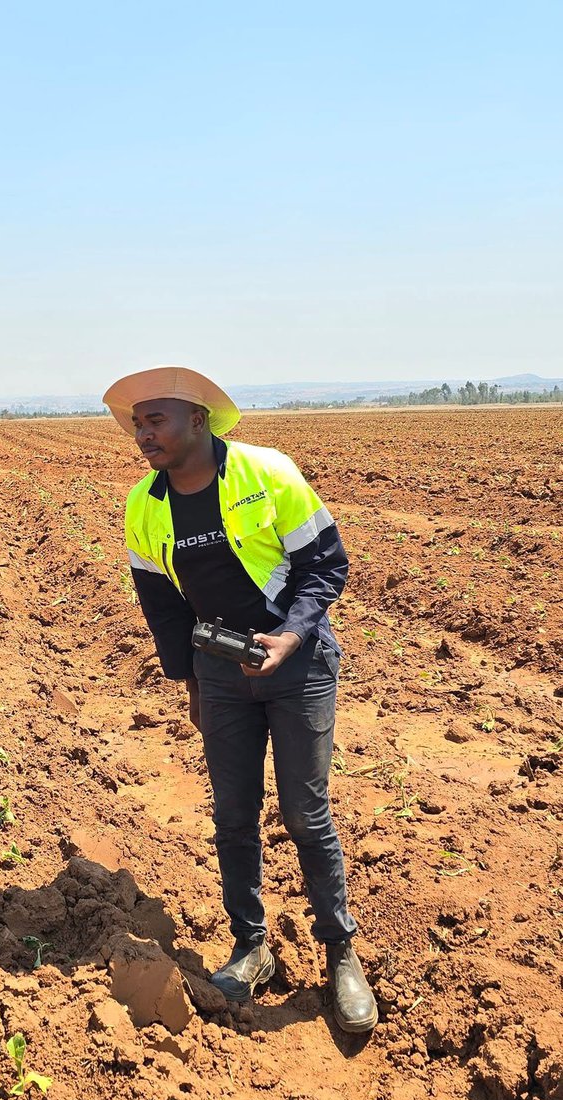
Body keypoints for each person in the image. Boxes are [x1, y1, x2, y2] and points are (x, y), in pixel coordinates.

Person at [103, 366, 377, 1034]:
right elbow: (163, 605)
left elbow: (326, 564)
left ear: (198, 419)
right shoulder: (144, 504)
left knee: (306, 814)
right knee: (232, 815)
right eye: (138, 423)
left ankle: (340, 951)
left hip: (298, 665)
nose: (143, 434)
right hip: (220, 673)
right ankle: (251, 946)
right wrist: (192, 683)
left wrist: (291, 636)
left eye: (156, 420)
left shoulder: (268, 472)